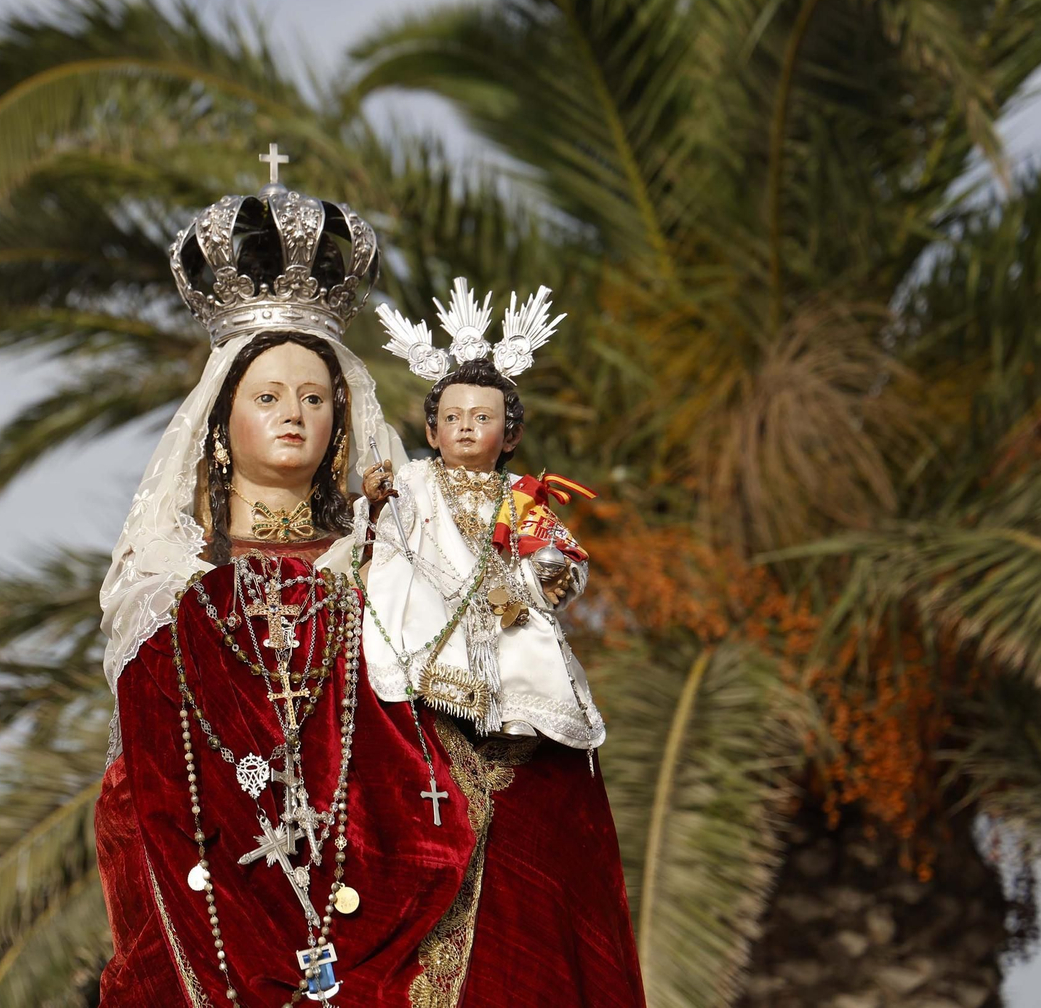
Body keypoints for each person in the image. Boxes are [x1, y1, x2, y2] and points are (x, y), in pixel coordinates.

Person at [95, 155, 645, 1007]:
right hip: (222, 919)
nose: (292, 414)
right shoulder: (168, 593)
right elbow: (144, 801)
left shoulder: (394, 558)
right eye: (268, 394)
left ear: (343, 419)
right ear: (220, 420)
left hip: (412, 910)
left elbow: (477, 701)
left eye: (314, 398)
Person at [358, 280, 606, 757]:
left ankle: (516, 713)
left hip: (502, 607)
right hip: (435, 600)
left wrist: (551, 571)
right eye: (452, 418)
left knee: (525, 644)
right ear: (432, 432)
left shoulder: (521, 497)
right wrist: (374, 500)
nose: (465, 427)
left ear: (510, 437)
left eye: (481, 418)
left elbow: (559, 552)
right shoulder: (415, 480)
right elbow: (384, 532)